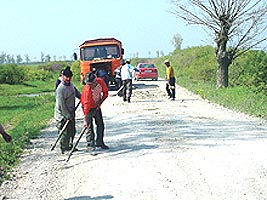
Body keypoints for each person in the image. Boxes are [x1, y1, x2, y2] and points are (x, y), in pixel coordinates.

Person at [55, 66, 81, 154]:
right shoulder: (60, 89)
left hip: (71, 112)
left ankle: (70, 146)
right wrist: (67, 115)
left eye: (70, 77)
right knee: (64, 133)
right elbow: (61, 104)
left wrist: (83, 98)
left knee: (72, 131)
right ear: (63, 76)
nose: (68, 79)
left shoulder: (71, 85)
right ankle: (63, 147)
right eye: (66, 77)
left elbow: (76, 93)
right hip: (62, 114)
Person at [80, 72, 109, 151]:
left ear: (95, 81)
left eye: (91, 83)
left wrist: (100, 103)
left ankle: (99, 142)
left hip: (96, 106)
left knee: (100, 124)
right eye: (88, 83)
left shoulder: (100, 82)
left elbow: (105, 93)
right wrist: (85, 120)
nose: (90, 85)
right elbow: (86, 105)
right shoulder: (87, 90)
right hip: (88, 108)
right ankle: (90, 145)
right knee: (89, 127)